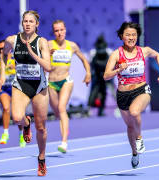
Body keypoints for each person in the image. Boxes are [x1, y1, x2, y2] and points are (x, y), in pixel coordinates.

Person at [104, 22, 159, 168]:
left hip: (141, 90)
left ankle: (140, 138)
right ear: (121, 36)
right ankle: (134, 152)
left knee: (135, 111)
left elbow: (157, 55)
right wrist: (118, 69)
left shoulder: (143, 51)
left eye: (134, 35)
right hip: (123, 95)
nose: (131, 37)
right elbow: (106, 75)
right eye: (128, 35)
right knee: (130, 127)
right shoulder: (116, 54)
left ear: (137, 36)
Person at [0, 10, 51, 176]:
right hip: (20, 83)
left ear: (37, 25)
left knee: (41, 127)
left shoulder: (42, 42)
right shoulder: (12, 40)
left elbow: (48, 67)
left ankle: (41, 158)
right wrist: (2, 76)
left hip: (39, 86)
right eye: (25, 21)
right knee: (16, 117)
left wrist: (33, 53)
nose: (27, 24)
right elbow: (4, 55)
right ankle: (27, 123)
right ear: (22, 23)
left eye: (31, 21)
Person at [48, 20, 91, 153]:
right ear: (53, 32)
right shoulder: (49, 44)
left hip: (66, 80)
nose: (59, 33)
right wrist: (47, 54)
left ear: (65, 30)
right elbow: (38, 59)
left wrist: (88, 73)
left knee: (62, 108)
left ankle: (64, 142)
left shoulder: (71, 46)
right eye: (56, 30)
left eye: (61, 30)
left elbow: (84, 59)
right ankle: (65, 126)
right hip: (51, 82)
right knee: (57, 113)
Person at [0, 40, 29, 147]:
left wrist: (17, 68)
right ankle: (5, 133)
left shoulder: (16, 59)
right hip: (5, 89)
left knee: (18, 115)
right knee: (6, 108)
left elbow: (26, 70)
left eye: (3, 48)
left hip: (17, 89)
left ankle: (21, 134)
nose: (1, 50)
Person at [88, 34, 114, 116]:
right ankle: (89, 110)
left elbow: (113, 64)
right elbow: (91, 65)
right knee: (94, 93)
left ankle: (121, 108)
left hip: (107, 76)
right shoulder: (93, 52)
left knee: (111, 92)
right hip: (97, 76)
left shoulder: (109, 52)